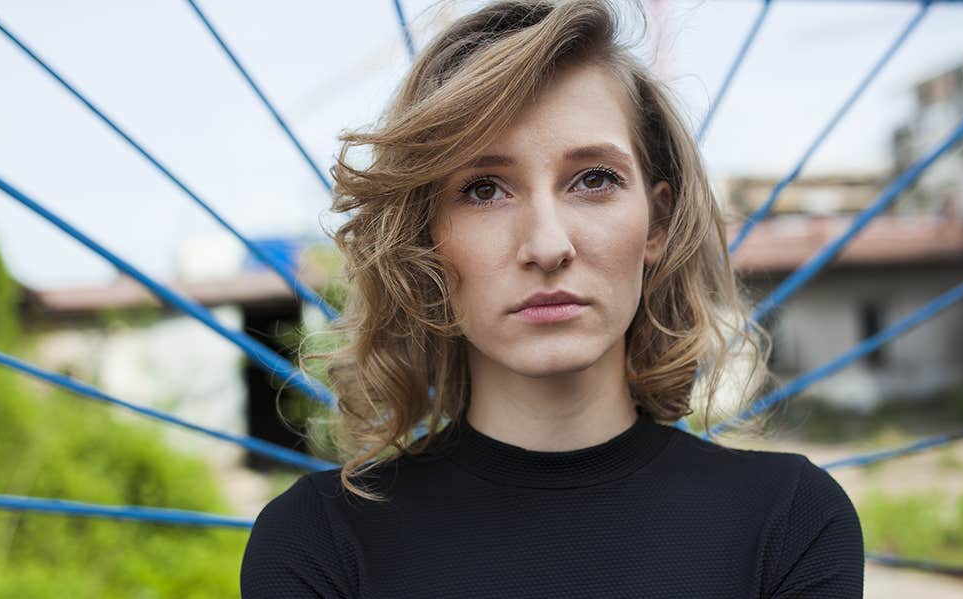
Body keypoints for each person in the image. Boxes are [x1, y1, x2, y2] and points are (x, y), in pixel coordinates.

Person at [241, 0, 864, 597]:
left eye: (594, 180)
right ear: (424, 237)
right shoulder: (317, 544)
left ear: (656, 224)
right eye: (484, 190)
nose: (546, 245)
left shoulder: (790, 523)